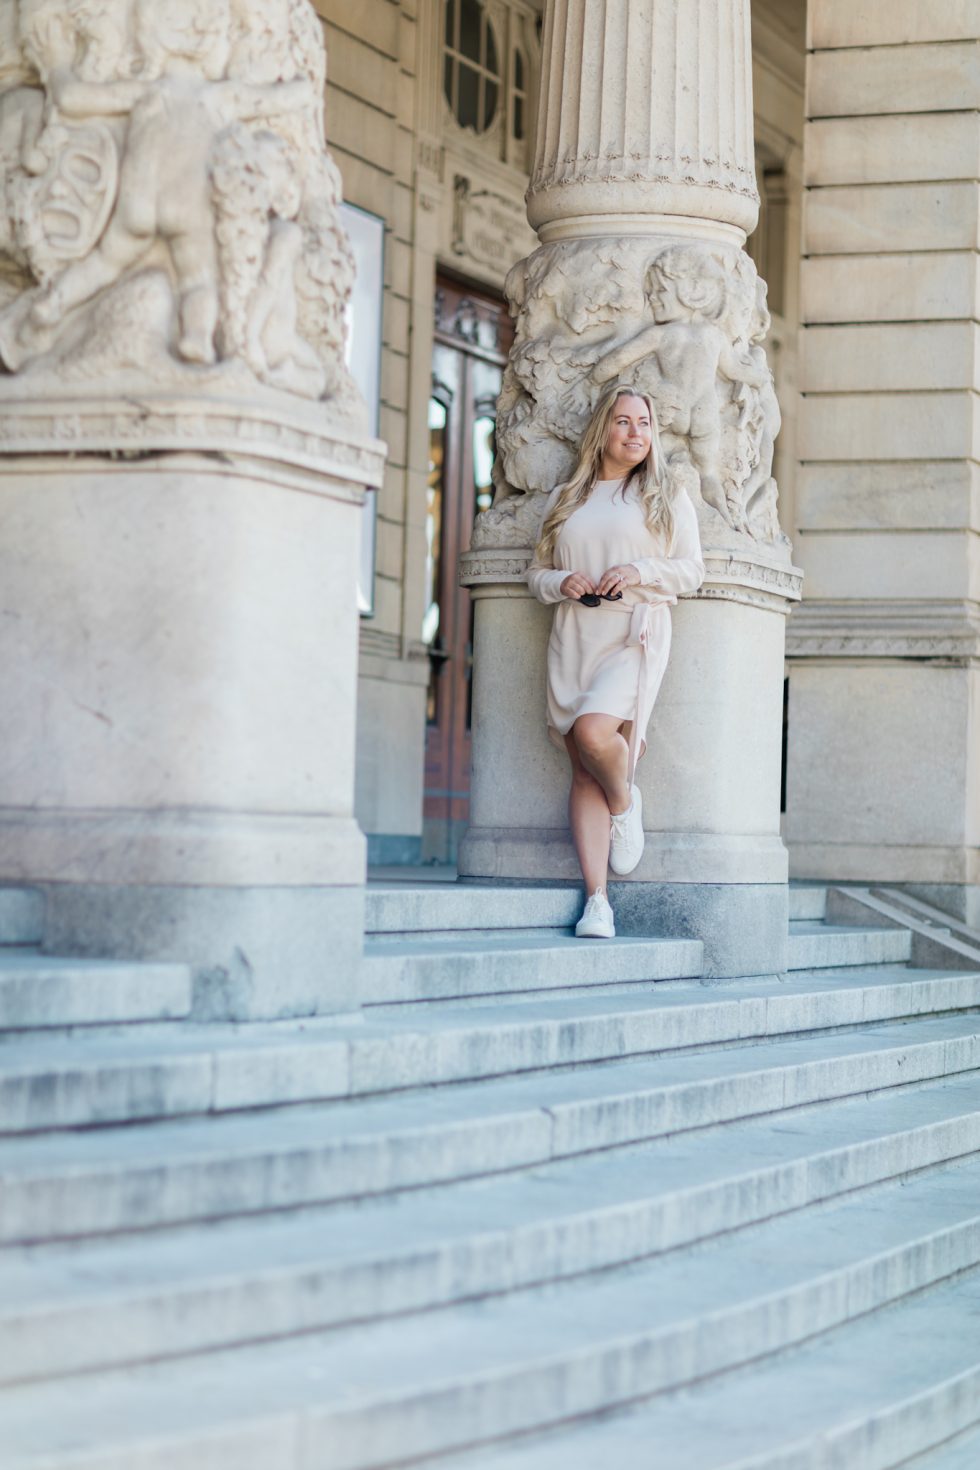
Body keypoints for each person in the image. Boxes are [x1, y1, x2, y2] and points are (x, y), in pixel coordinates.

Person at [527, 383, 705, 939]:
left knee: (593, 732)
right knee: (582, 766)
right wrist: (561, 581)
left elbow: (692, 570)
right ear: (603, 428)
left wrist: (639, 570)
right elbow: (535, 574)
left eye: (644, 424)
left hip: (634, 633)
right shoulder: (567, 497)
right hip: (575, 634)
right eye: (624, 421)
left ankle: (625, 804)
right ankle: (597, 901)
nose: (636, 433)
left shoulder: (665, 494)